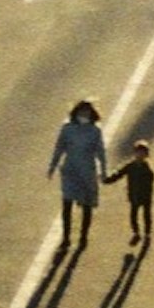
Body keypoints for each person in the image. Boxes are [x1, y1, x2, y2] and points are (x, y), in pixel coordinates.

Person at [49, 99, 108, 251]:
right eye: (81, 112)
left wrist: (103, 170)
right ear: (76, 113)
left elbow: (101, 152)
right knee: (67, 204)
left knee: (87, 206)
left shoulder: (95, 131)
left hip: (87, 172)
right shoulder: (67, 129)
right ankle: (66, 238)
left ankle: (83, 237)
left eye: (87, 112)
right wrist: (53, 166)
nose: (84, 115)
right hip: (70, 171)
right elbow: (59, 148)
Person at [110, 139, 154, 250]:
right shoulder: (130, 166)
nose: (140, 155)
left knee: (146, 215)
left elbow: (150, 181)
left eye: (142, 153)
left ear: (146, 155)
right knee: (133, 215)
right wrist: (108, 179)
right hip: (134, 195)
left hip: (145, 196)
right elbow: (119, 174)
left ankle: (147, 232)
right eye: (138, 152)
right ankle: (136, 231)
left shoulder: (148, 169)